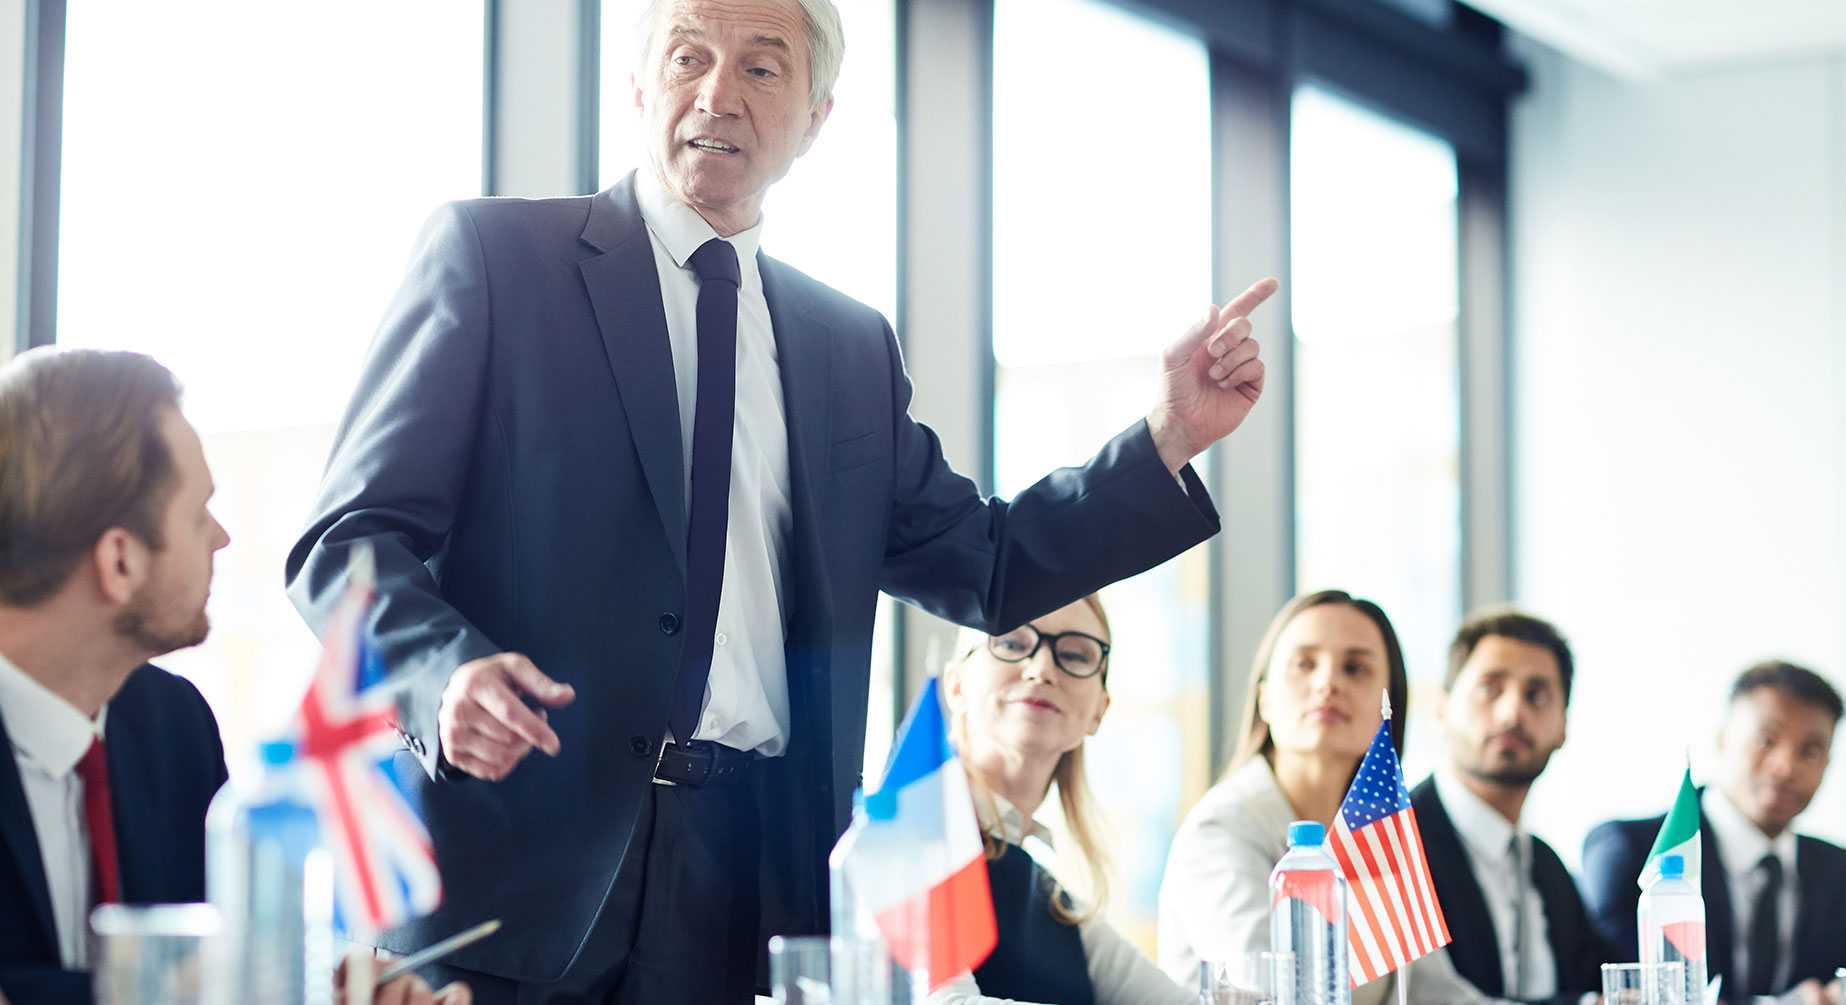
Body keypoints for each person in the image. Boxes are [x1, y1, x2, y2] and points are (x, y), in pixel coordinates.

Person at [284, 0, 1277, 1000]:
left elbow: (988, 560)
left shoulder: (847, 348)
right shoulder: (497, 261)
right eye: (688, 58)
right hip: (517, 865)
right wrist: (442, 678)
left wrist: (1170, 436)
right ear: (639, 86)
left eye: (763, 69)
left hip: (747, 885)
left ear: (816, 118)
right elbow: (347, 538)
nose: (717, 92)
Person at [0, 348, 465, 1005]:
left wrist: (322, 987)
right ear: (120, 560)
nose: (220, 538)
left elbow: (227, 965)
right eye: (197, 514)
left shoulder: (173, 724)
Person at [1156, 590, 1498, 1005]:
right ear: (1264, 699)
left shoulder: (1376, 832)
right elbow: (1279, 994)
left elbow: (1439, 994)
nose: (1327, 683)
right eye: (1304, 664)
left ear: (1386, 707)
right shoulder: (1222, 829)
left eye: (1356, 668)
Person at [929, 595, 1195, 1005]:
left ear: (1099, 711)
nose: (1042, 669)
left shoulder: (1056, 902)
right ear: (957, 684)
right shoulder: (915, 838)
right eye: (1013, 644)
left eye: (1074, 654)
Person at [1582, 661, 1846, 1005]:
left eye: (1810, 751)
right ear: (1722, 740)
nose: (1786, 766)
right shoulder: (1632, 851)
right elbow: (1640, 992)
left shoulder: (1842, 871)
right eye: (1766, 740)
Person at [1409, 609, 1607, 1005]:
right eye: (1489, 688)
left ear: (1562, 727)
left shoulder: (1550, 870)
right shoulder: (1395, 843)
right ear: (1441, 711)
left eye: (1536, 695)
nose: (1512, 712)